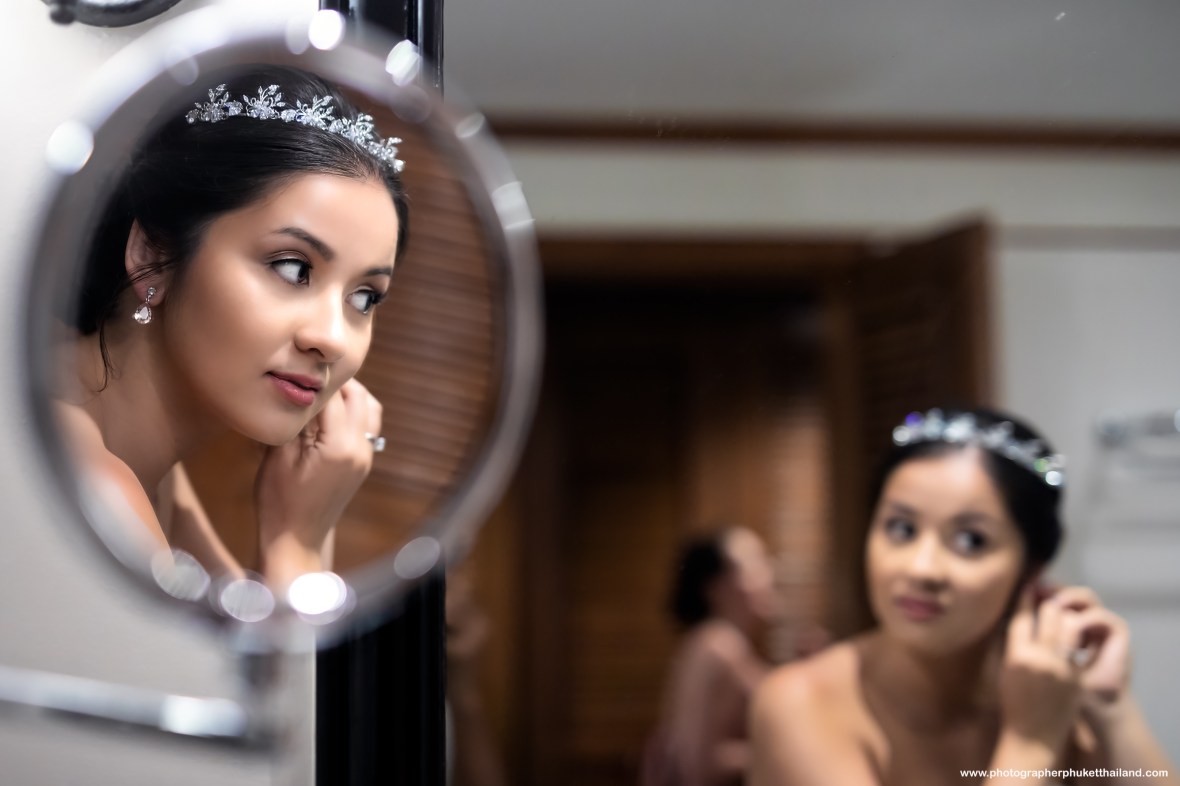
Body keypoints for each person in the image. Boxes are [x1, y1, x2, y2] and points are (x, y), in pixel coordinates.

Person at [54, 65, 409, 591]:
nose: (332, 337)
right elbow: (267, 675)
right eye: (293, 268)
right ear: (152, 255)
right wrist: (298, 541)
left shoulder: (155, 469)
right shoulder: (84, 473)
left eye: (364, 297)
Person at [750, 407, 1178, 785]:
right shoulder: (800, 705)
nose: (921, 568)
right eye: (901, 528)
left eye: (971, 540)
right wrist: (1028, 745)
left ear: (1030, 570)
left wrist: (1112, 709)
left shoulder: (1049, 697)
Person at [643, 526, 780, 786]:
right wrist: (787, 753)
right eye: (753, 565)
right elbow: (702, 763)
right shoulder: (721, 647)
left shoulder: (709, 642)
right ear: (714, 587)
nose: (768, 576)